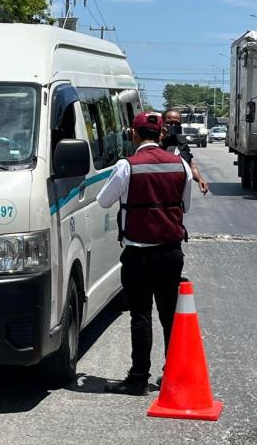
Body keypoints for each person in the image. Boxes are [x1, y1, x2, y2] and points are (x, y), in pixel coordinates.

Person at [97, 111, 193, 396]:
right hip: (170, 254)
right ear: (161, 134)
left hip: (138, 255)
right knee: (169, 317)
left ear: (134, 135)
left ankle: (138, 378)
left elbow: (104, 201)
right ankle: (172, 374)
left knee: (140, 316)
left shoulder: (127, 166)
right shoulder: (181, 165)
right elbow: (184, 205)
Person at [162, 109, 209, 195]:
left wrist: (200, 179)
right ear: (162, 123)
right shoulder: (154, 142)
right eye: (169, 123)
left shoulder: (181, 141)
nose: (173, 126)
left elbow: (190, 165)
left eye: (177, 124)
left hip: (178, 192)